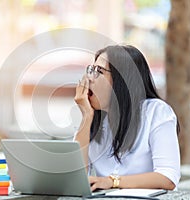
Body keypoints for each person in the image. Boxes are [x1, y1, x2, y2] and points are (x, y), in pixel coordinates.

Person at [74, 45, 180, 191]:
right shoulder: (93, 121)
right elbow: (75, 179)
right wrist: (86, 117)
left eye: (99, 71)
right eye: (91, 70)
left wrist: (112, 181)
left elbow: (168, 177)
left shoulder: (156, 112)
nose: (89, 78)